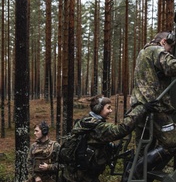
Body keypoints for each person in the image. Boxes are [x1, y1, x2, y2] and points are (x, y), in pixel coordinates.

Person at [62, 95, 150, 182]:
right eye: (108, 108)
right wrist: (141, 109)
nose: (111, 111)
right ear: (99, 109)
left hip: (75, 173)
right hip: (81, 177)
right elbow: (121, 129)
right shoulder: (97, 127)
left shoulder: (87, 121)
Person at [128, 31, 176, 178]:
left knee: (142, 150)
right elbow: (172, 67)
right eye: (170, 47)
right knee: (173, 142)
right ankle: (136, 173)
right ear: (163, 42)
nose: (170, 51)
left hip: (141, 108)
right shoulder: (157, 50)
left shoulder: (143, 52)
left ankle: (133, 176)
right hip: (156, 108)